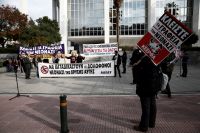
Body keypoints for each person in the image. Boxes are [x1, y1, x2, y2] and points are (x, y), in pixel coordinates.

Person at [134, 55, 161, 132]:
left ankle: (143, 126)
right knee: (152, 105)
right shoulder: (157, 59)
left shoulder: (145, 60)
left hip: (145, 87)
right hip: (154, 86)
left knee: (146, 107)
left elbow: (137, 71)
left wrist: (138, 62)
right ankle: (151, 123)